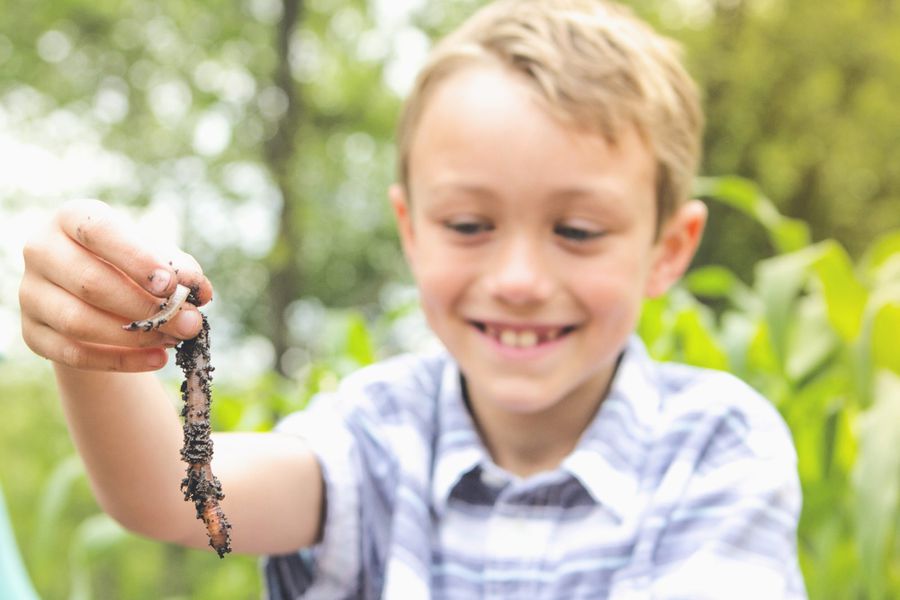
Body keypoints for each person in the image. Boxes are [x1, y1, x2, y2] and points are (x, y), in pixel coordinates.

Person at [18, 0, 806, 598]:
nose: (521, 279)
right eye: (469, 224)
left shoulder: (717, 445)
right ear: (412, 228)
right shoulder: (376, 433)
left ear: (668, 249)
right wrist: (94, 339)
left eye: (577, 229)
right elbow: (172, 493)